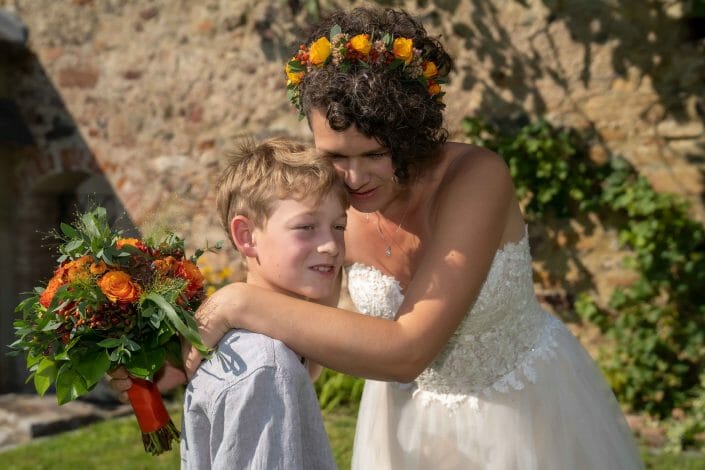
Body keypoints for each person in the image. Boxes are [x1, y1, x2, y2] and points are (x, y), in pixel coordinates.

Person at [118, 6, 642, 469]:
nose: (352, 178)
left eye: (373, 154)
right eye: (335, 155)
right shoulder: (337, 201)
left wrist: (234, 303)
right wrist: (166, 368)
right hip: (401, 431)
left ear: (412, 134)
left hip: (521, 417)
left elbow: (407, 351)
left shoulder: (477, 178)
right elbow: (306, 332)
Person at [181, 137, 343, 469]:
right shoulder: (266, 367)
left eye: (339, 225)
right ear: (246, 236)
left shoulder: (253, 349)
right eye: (306, 227)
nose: (331, 245)